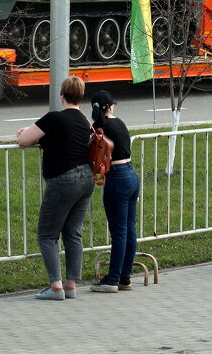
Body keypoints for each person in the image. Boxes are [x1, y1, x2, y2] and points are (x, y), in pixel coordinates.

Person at [15, 75, 95, 300]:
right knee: (73, 232)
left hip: (63, 179)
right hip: (86, 178)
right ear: (80, 96)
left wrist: (24, 133)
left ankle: (56, 286)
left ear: (62, 95)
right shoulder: (84, 121)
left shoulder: (53, 118)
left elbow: (24, 140)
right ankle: (71, 284)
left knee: (47, 234)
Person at [89, 89, 140, 293]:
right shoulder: (119, 123)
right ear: (109, 107)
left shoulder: (98, 127)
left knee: (118, 231)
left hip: (116, 177)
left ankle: (112, 279)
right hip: (131, 174)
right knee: (129, 229)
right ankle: (125, 278)